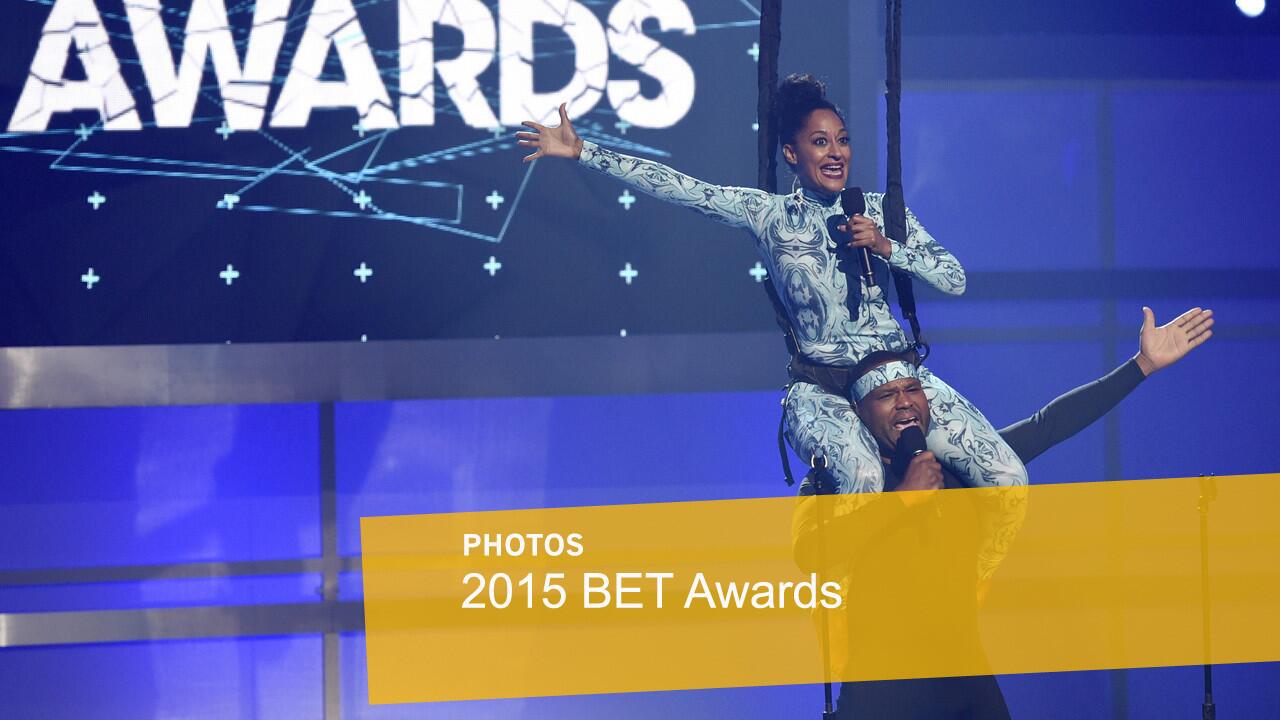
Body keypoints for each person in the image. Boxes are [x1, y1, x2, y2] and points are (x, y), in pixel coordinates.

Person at [516, 75, 1029, 507]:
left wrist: (887, 245)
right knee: (865, 485)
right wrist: (585, 152)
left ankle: (972, 585)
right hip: (824, 388)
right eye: (821, 142)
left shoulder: (878, 209)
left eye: (843, 140)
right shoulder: (768, 215)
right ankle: (848, 607)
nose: (836, 153)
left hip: (898, 378)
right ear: (792, 153)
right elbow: (682, 187)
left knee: (1010, 481)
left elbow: (955, 278)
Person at [791, 305, 1214, 720]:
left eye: (912, 390)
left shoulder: (960, 469)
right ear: (859, 413)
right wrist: (902, 498)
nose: (904, 403)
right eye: (886, 395)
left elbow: (1047, 424)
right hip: (879, 692)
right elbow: (811, 552)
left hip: (966, 682)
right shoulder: (837, 484)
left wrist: (1141, 365)